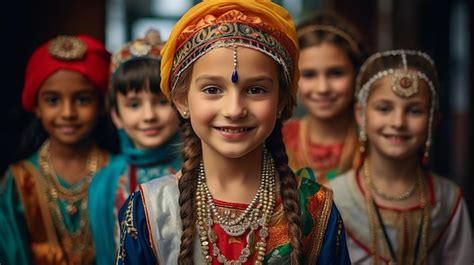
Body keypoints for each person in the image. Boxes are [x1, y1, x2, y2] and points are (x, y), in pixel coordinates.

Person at [116, 0, 350, 264]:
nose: (235, 109)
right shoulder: (149, 210)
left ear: (281, 101)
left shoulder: (316, 209)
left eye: (256, 90)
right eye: (212, 90)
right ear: (181, 100)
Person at [329, 49, 473, 264]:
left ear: (433, 120)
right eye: (384, 108)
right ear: (361, 114)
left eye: (414, 111)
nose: (398, 122)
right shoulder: (334, 200)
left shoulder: (448, 200)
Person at [0, 35, 112, 264]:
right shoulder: (19, 181)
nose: (68, 112)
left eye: (82, 100)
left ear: (102, 105)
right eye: (53, 100)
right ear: (36, 106)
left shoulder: (118, 174)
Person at [88, 29, 182, 265]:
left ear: (182, 105)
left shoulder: (201, 169)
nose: (149, 115)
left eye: (161, 102)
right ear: (116, 115)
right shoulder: (105, 183)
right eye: (133, 104)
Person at [283, 13, 367, 184]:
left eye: (336, 73)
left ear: (357, 74)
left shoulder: (376, 141)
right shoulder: (278, 139)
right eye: (309, 75)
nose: (323, 88)